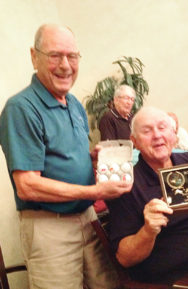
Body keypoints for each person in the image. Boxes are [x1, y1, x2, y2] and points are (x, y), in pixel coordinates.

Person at [0, 24, 132, 289]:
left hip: (87, 218)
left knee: (108, 285)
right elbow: (27, 186)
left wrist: (93, 160)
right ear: (34, 56)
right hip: (50, 227)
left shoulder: (73, 104)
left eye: (72, 56)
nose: (65, 65)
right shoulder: (21, 109)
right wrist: (94, 190)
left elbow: (66, 158)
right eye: (55, 55)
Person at [107, 106, 188, 284]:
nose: (157, 135)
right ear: (134, 141)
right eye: (147, 130)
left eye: (162, 128)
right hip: (182, 273)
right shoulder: (126, 186)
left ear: (174, 136)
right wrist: (148, 230)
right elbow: (124, 258)